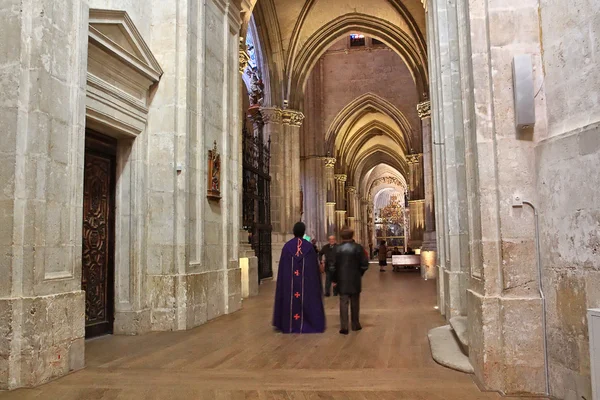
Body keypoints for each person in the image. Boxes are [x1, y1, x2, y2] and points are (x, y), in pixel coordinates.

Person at [273, 222, 326, 333]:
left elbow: (283, 270)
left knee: (291, 298)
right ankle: (309, 322)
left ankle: (289, 324)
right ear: (303, 232)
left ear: (294, 231)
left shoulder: (287, 247)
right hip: (306, 284)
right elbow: (313, 271)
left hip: (290, 284)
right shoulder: (309, 248)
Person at [332, 227, 369, 335]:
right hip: (355, 279)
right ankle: (355, 324)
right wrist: (359, 274)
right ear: (352, 235)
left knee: (343, 302)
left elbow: (332, 266)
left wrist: (334, 279)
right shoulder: (358, 248)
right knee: (355, 302)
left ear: (341, 236)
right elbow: (364, 264)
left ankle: (344, 327)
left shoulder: (337, 249)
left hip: (341, 279)